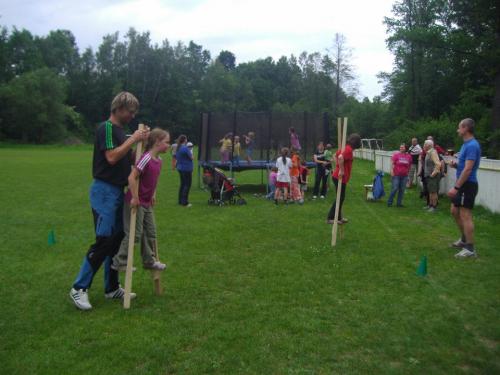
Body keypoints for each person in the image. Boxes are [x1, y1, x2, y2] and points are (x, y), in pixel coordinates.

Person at [69, 91, 149, 311]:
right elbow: (112, 157)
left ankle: (111, 287)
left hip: (117, 191)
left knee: (117, 238)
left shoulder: (121, 132)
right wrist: (133, 139)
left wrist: (143, 144)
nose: (132, 116)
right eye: (130, 111)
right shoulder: (106, 128)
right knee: (104, 240)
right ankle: (79, 288)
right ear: (119, 108)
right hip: (104, 191)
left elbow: (127, 158)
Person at [112, 128, 170, 272]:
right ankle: (119, 262)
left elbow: (153, 181)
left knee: (151, 232)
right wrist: (135, 198)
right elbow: (132, 177)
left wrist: (153, 195)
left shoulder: (159, 160)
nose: (169, 145)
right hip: (135, 201)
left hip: (147, 202)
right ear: (157, 142)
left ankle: (149, 261)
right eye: (167, 142)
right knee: (135, 234)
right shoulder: (146, 158)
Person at [447, 118, 481, 258]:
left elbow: (468, 170)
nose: (457, 130)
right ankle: (464, 239)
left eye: (459, 127)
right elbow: (464, 166)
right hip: (463, 185)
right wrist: (455, 165)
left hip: (468, 185)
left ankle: (470, 249)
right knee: (454, 211)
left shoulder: (472, 145)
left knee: (465, 215)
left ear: (466, 128)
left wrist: (456, 187)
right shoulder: (465, 145)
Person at [326, 134, 362, 224]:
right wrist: (341, 170)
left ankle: (338, 217)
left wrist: (337, 166)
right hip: (339, 177)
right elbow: (340, 157)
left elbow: (335, 155)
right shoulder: (348, 149)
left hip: (340, 177)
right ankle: (330, 218)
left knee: (341, 198)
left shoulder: (346, 148)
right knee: (339, 198)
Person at [423, 139, 442, 212]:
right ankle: (430, 205)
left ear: (429, 145)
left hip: (433, 176)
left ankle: (434, 207)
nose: (424, 146)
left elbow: (438, 164)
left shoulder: (432, 152)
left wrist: (433, 174)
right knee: (430, 191)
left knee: (433, 192)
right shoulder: (428, 152)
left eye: (425, 144)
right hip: (429, 175)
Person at [176, 135, 193, 207]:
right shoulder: (185, 148)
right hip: (186, 169)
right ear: (184, 140)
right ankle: (185, 202)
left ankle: (180, 200)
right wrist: (191, 152)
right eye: (186, 139)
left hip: (180, 168)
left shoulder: (178, 147)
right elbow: (191, 158)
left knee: (182, 184)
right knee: (187, 185)